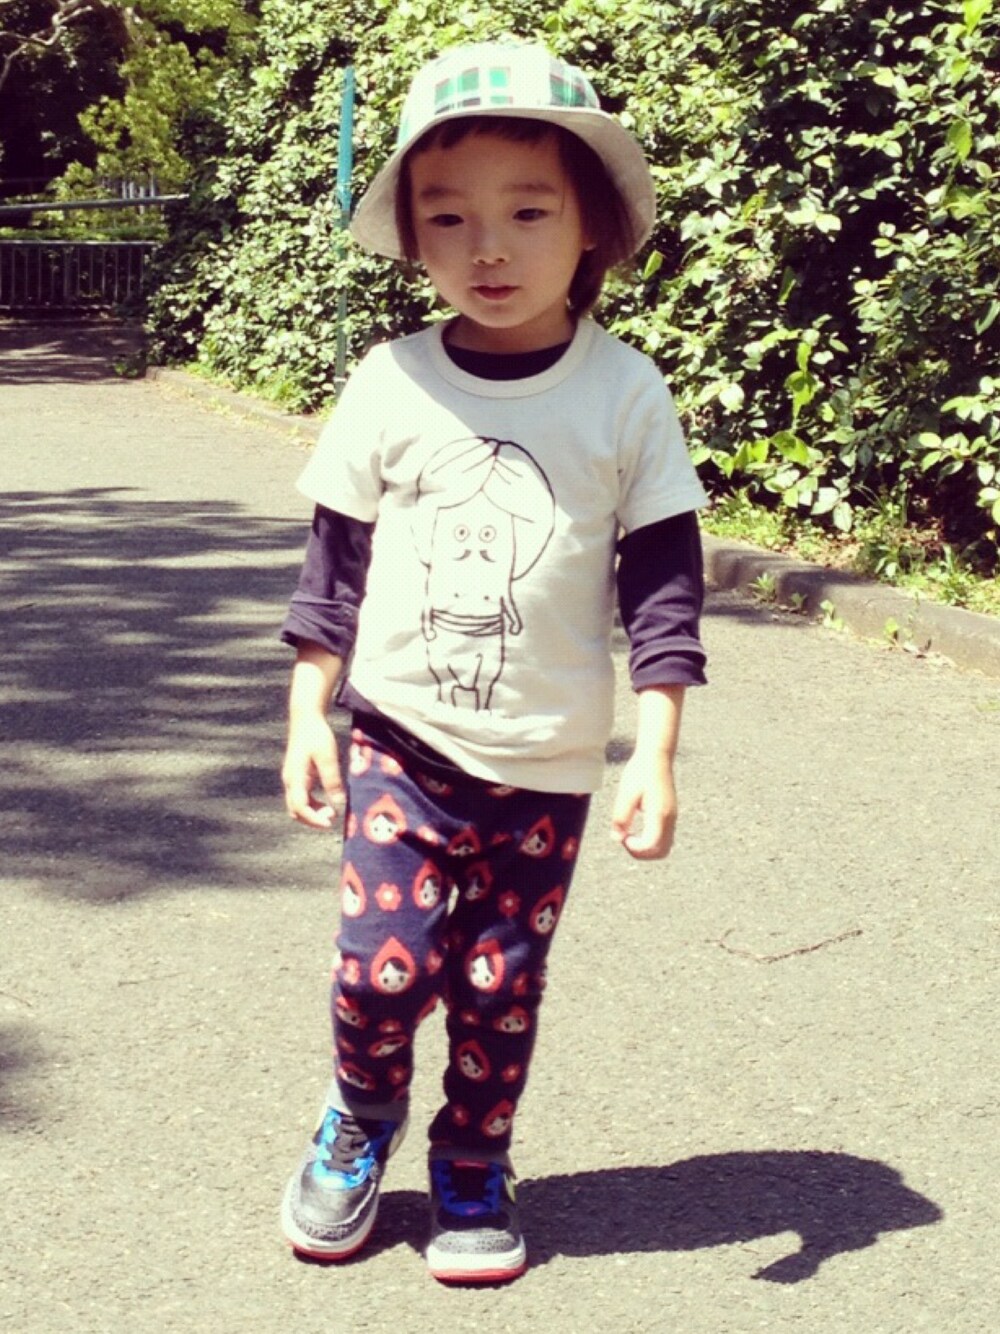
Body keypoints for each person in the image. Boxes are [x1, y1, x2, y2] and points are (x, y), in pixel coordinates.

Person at [278, 40, 708, 1284]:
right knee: (378, 974)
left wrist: (656, 751)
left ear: (592, 226)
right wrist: (308, 711)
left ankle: (473, 1153)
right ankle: (362, 1112)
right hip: (398, 737)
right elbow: (334, 567)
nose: (488, 247)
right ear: (412, 235)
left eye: (528, 211)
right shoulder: (390, 382)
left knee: (494, 984)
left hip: (545, 765)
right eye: (448, 216)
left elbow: (662, 587)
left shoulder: (623, 394)